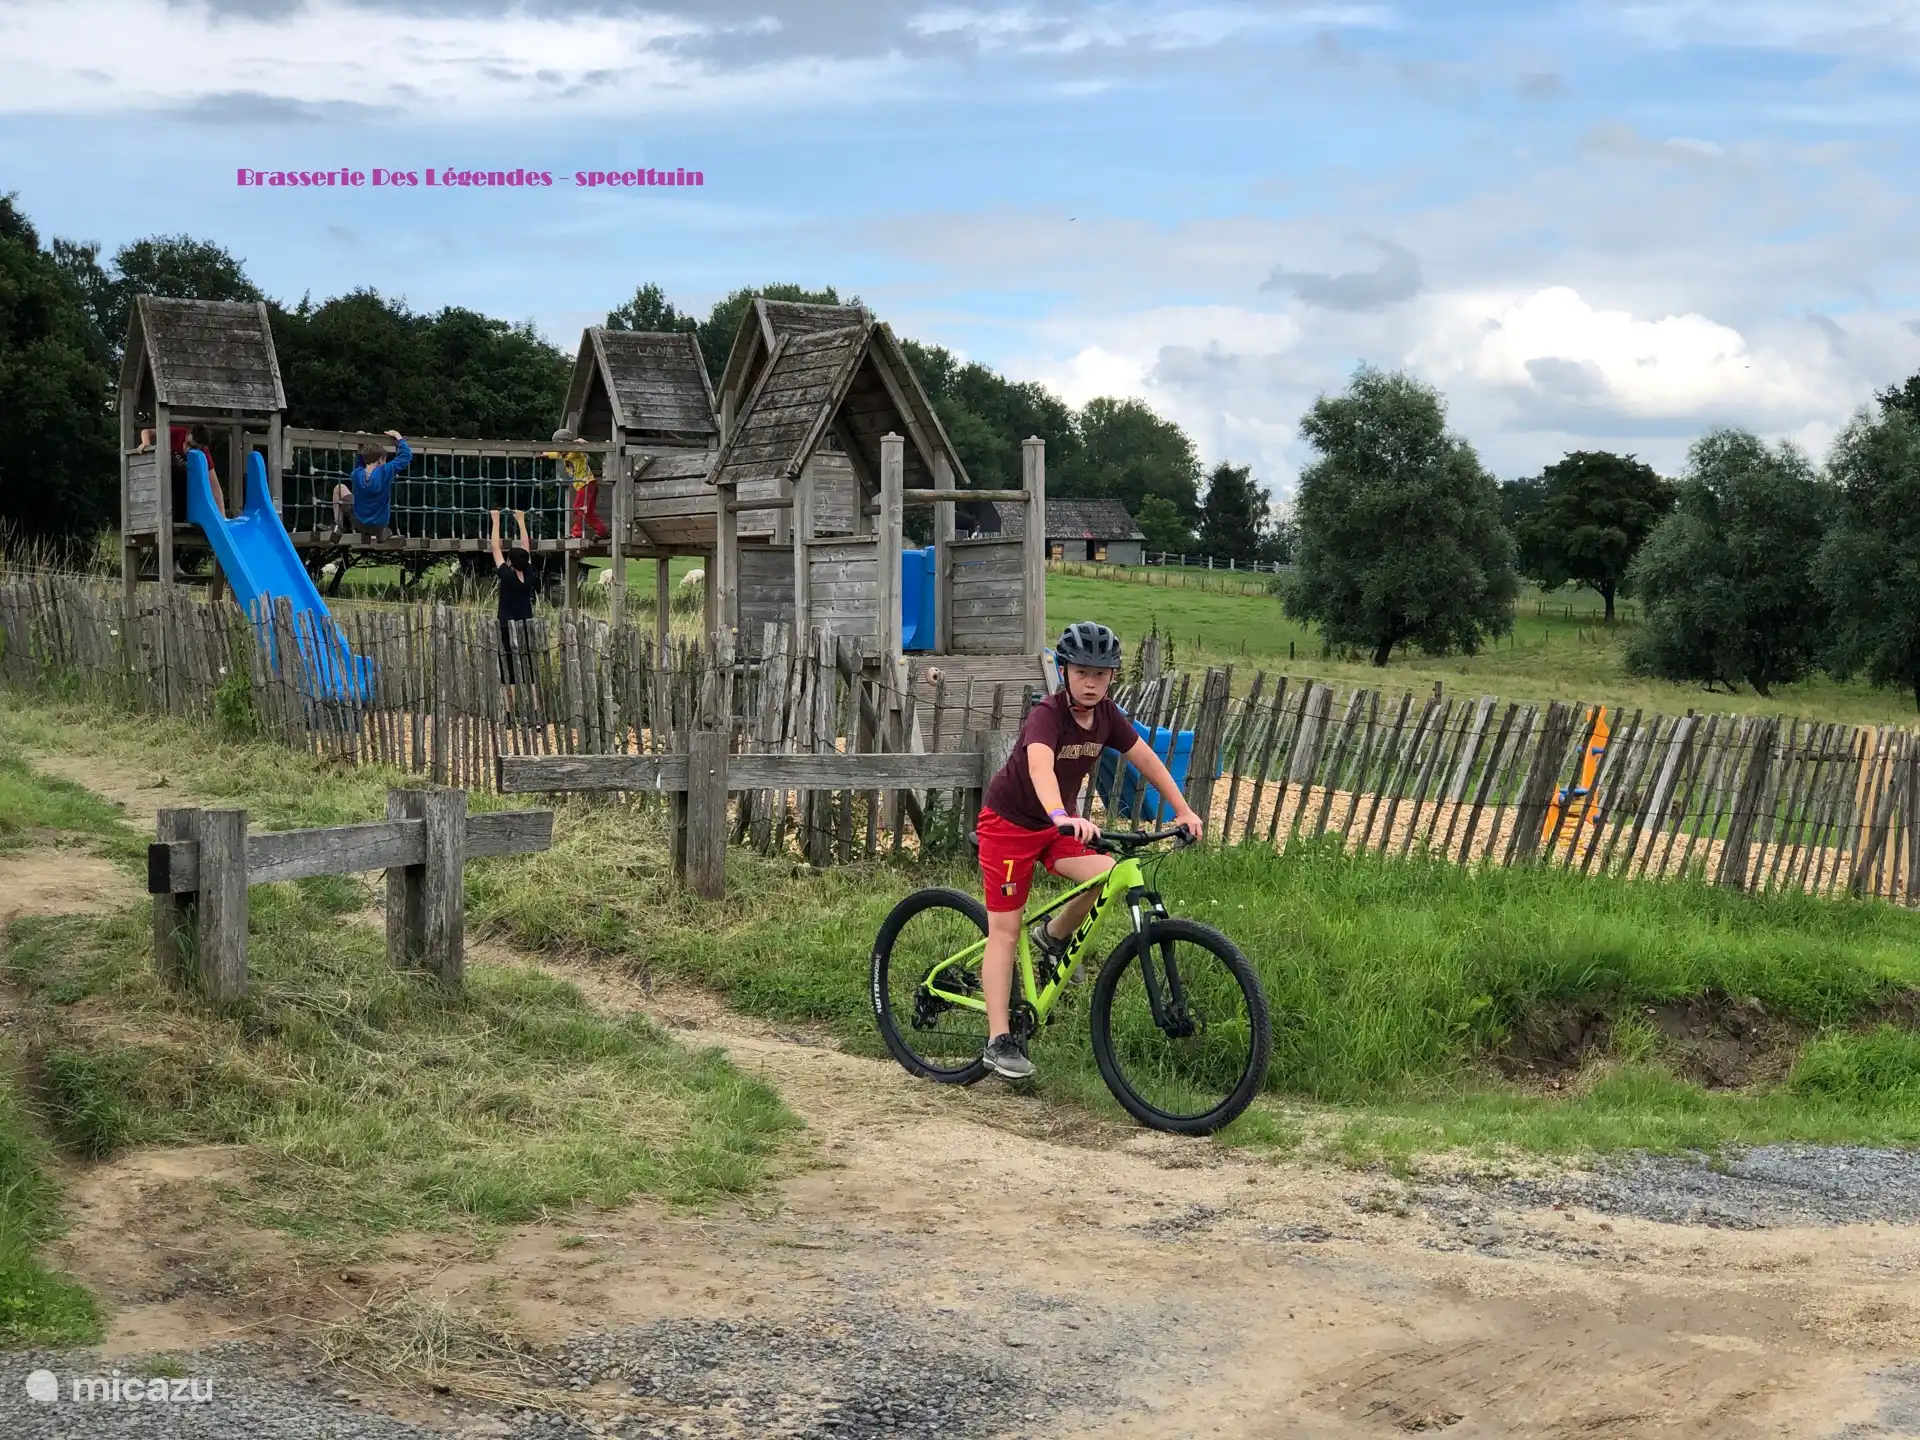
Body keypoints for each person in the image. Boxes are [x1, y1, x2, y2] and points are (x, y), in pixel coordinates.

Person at [973, 622, 1204, 1081]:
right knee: (1005, 927)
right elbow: (1040, 767)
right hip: (1011, 826)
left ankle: (1052, 938)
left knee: (1108, 873)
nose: (1092, 681)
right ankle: (998, 1039)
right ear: (1064, 671)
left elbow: (1147, 760)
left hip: (1057, 826)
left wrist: (1182, 809)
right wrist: (1061, 814)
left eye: (1102, 673)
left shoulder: (1108, 717)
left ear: (1113, 677)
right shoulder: (1048, 715)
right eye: (1082, 671)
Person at [490, 508, 537, 701]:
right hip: (525, 623)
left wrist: (496, 520)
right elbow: (526, 547)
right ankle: (534, 710)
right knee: (529, 669)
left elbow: (495, 548)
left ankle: (510, 715)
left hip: (506, 625)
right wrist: (521, 521)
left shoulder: (507, 575)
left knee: (508, 669)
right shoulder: (529, 574)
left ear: (509, 561)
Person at [140, 423, 227, 520]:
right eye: (188, 444)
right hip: (166, 471)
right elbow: (147, 432)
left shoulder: (204, 454)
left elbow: (215, 488)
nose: (187, 449)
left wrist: (223, 517)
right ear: (188, 434)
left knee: (185, 489)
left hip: (183, 477)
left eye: (194, 448)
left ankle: (180, 522)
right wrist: (146, 444)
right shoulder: (177, 433)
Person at [542, 428, 608, 541]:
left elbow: (582, 444)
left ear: (566, 444)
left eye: (559, 445)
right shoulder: (561, 454)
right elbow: (549, 453)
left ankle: (576, 533)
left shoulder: (574, 451)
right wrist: (541, 454)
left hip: (587, 483)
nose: (558, 448)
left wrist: (579, 442)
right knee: (588, 513)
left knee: (578, 508)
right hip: (586, 486)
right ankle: (602, 531)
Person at [350, 429, 411, 543]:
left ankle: (337, 524)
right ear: (381, 459)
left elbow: (359, 462)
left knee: (339, 490)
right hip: (380, 523)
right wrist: (398, 437)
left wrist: (361, 444)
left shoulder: (356, 474)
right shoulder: (386, 470)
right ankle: (382, 532)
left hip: (359, 523)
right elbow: (406, 456)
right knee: (379, 514)